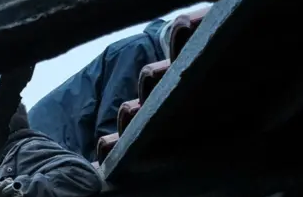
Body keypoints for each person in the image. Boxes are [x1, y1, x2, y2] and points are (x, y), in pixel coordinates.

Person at [27, 13, 204, 162]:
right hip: (50, 141)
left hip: (48, 141)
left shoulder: (142, 52)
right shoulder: (136, 51)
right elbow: (111, 125)